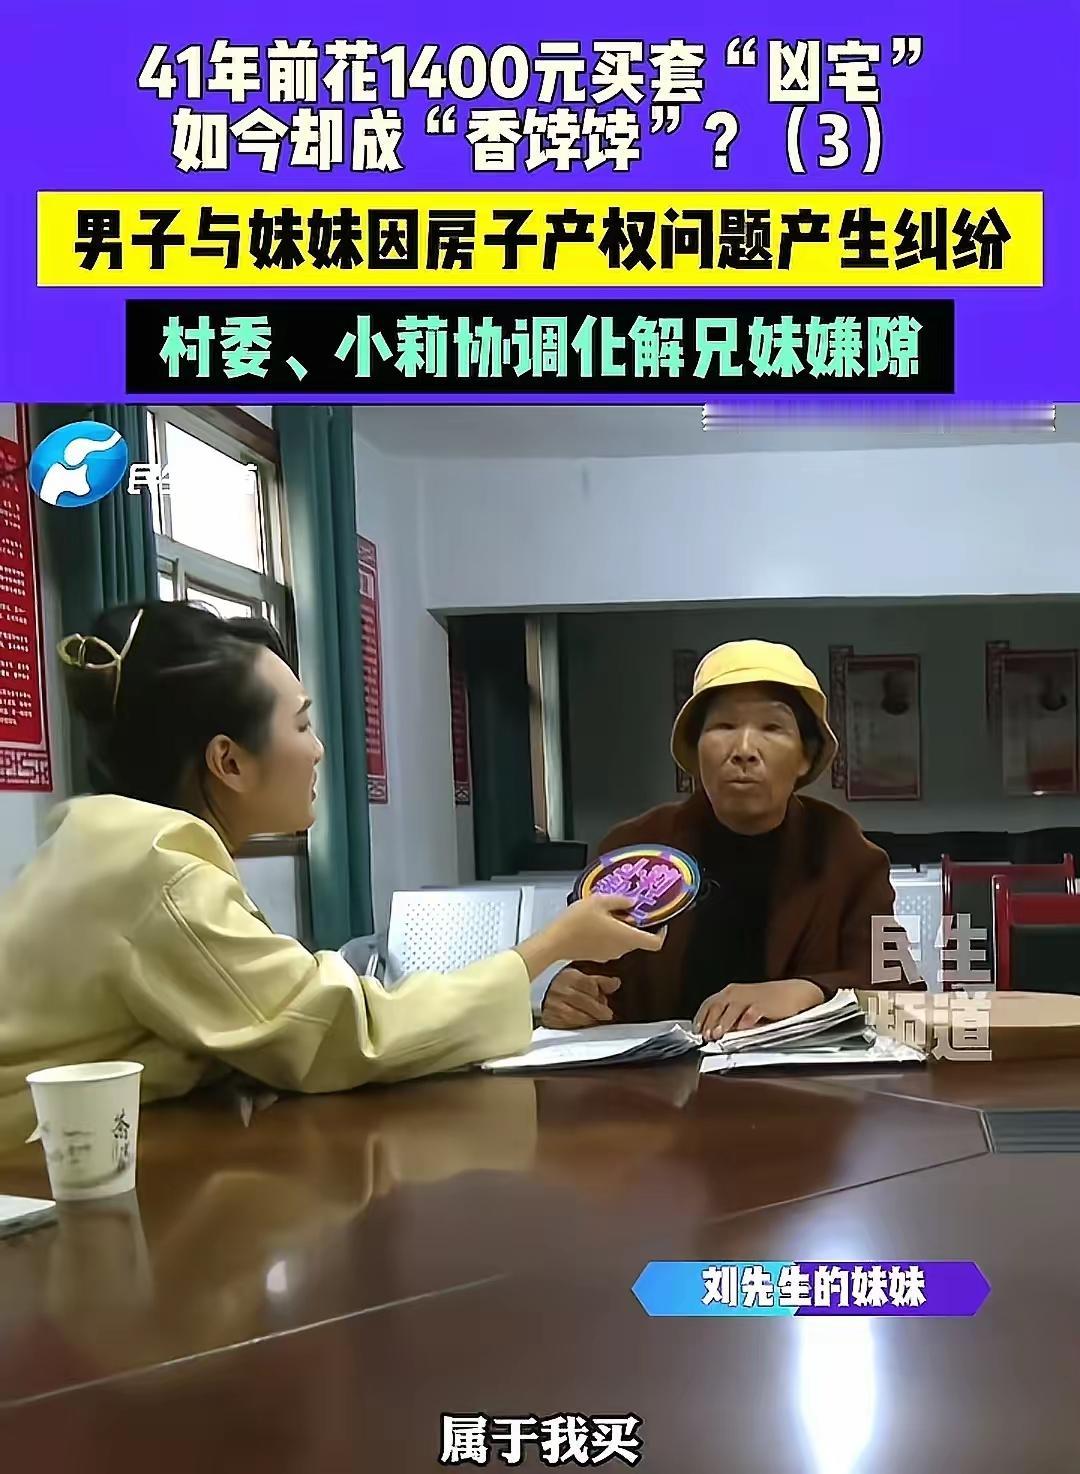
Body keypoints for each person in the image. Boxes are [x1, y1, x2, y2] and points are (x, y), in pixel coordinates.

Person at [0, 601, 663, 1137]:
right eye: (300, 725)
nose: (318, 749)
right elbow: (339, 1033)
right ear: (228, 761)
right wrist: (550, 946)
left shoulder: (110, 844)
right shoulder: (159, 871)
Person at [541, 640, 921, 1040]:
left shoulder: (848, 853)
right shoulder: (634, 850)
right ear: (695, 749)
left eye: (772, 728)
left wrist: (808, 991)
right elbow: (591, 978)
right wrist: (567, 996)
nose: (743, 750)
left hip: (799, 1076)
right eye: (723, 726)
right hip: (659, 1076)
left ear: (805, 756)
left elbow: (900, 988)